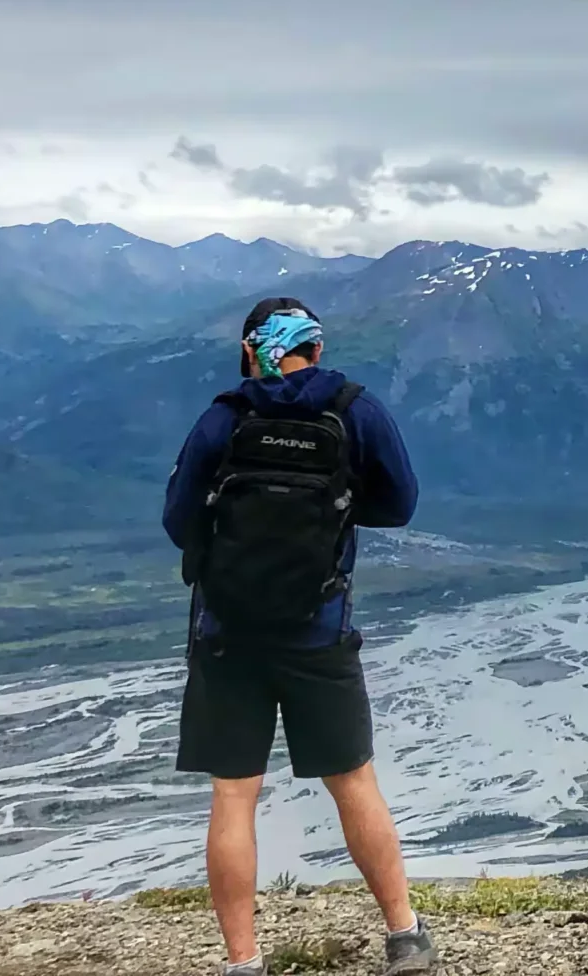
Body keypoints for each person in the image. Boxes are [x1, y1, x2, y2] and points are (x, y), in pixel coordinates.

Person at [164, 297, 436, 976]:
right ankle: (404, 935)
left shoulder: (224, 419)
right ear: (316, 347)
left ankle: (243, 962)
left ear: (251, 350)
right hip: (319, 631)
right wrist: (336, 506)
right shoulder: (354, 411)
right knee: (353, 781)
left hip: (227, 634)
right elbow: (400, 504)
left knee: (234, 795)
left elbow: (178, 519)